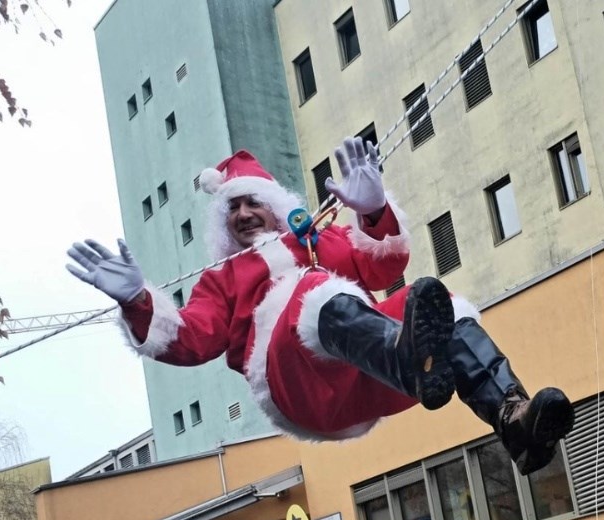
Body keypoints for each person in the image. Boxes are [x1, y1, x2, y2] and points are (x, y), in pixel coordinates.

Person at [65, 138, 574, 474]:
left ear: (275, 203)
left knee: (451, 309)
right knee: (311, 292)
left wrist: (373, 208)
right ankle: (407, 359)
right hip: (299, 390)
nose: (243, 213)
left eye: (251, 201)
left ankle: (515, 420)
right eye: (232, 208)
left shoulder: (319, 241)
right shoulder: (222, 278)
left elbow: (384, 264)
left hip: (363, 377)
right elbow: (190, 338)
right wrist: (136, 298)